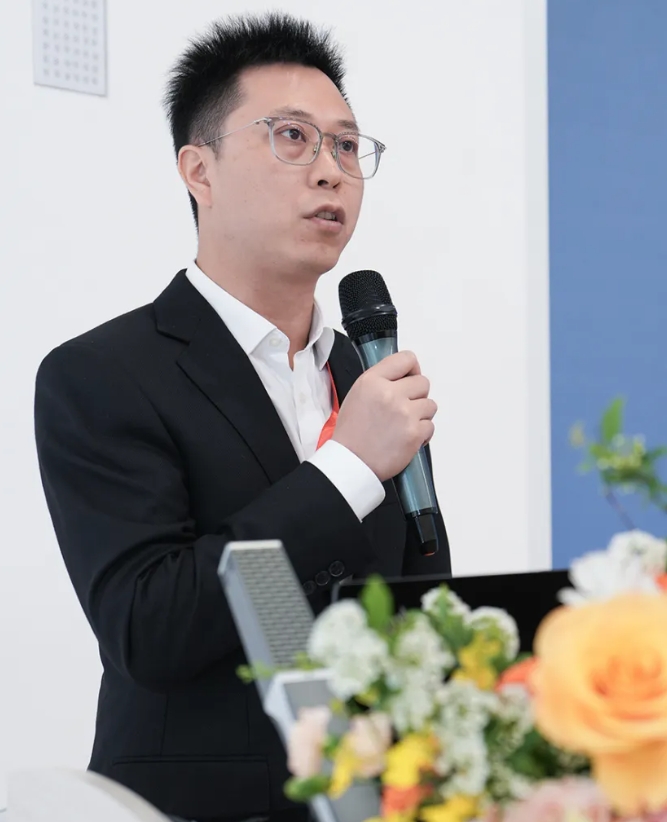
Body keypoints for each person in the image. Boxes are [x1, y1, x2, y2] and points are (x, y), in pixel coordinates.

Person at [34, 12, 451, 822]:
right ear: (199, 169)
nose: (329, 171)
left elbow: (411, 613)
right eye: (292, 138)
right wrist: (346, 470)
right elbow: (150, 628)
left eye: (346, 146)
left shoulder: (365, 375)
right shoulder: (102, 374)